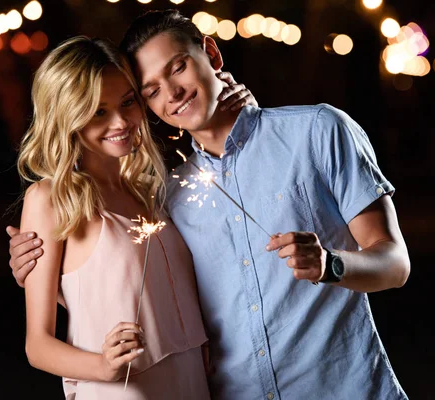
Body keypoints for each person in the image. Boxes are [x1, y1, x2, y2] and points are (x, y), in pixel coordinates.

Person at [9, 9, 411, 399]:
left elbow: (395, 264)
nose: (173, 93)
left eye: (179, 67)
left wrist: (331, 264)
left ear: (212, 55)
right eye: (150, 91)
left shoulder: (317, 131)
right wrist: (46, 269)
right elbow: (125, 280)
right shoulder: (168, 190)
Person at [13, 35, 257, 399]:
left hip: (194, 382)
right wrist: (104, 366)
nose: (121, 121)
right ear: (67, 116)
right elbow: (38, 345)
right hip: (125, 389)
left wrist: (244, 110)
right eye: (98, 111)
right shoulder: (49, 198)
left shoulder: (153, 193)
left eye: (128, 102)